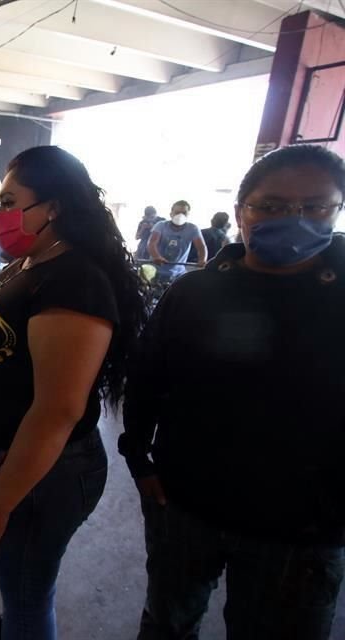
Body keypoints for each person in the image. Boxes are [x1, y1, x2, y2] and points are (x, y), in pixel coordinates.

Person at [120, 144, 345, 640]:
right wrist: (140, 460)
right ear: (242, 212)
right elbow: (147, 379)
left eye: (315, 206)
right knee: (167, 623)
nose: (294, 218)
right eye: (271, 206)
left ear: (336, 210)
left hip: (302, 531)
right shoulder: (196, 292)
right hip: (186, 506)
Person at [0, 146, 147, 640]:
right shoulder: (31, 261)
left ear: (54, 207)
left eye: (11, 201)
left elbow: (58, 410)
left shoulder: (75, 283)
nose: (1, 216)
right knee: (20, 578)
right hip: (10, 461)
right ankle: (12, 620)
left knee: (29, 593)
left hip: (43, 477)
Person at [148, 200, 207, 281]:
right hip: (156, 271)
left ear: (188, 214)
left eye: (184, 213)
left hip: (178, 273)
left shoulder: (193, 229)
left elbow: (201, 247)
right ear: (171, 214)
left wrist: (202, 260)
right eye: (177, 212)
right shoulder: (160, 226)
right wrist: (156, 256)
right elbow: (152, 243)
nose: (180, 215)